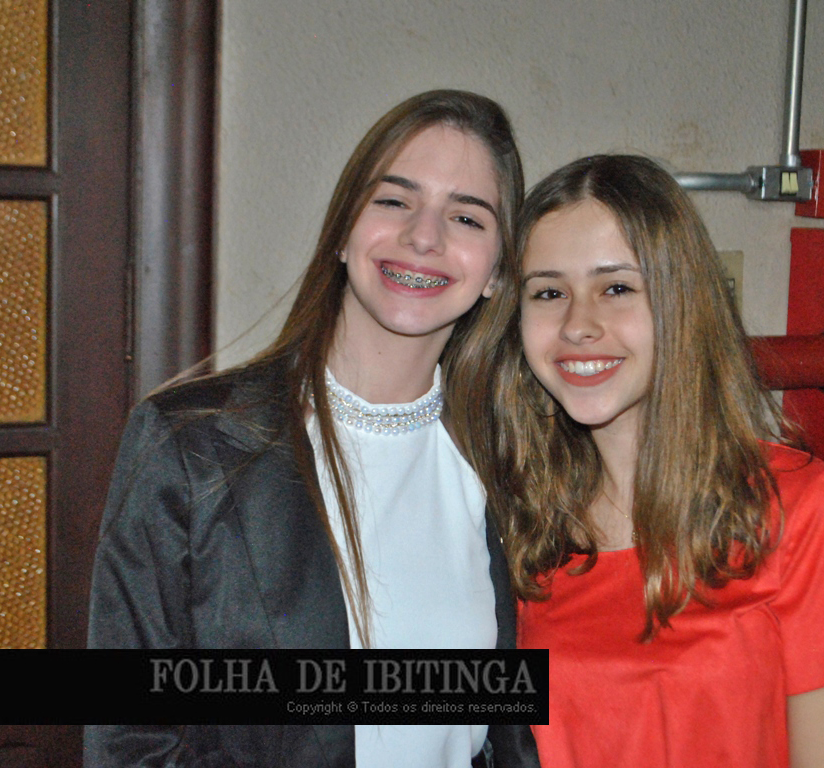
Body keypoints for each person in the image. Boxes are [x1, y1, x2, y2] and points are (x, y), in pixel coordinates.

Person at [85, 90, 539, 768]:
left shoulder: (508, 460)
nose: (425, 236)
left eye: (467, 216)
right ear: (342, 231)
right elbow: (128, 742)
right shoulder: (190, 444)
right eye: (395, 200)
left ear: (498, 271)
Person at [447, 154, 824, 768]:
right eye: (549, 292)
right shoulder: (520, 522)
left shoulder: (797, 511)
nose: (578, 324)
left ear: (680, 303)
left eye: (616, 288)